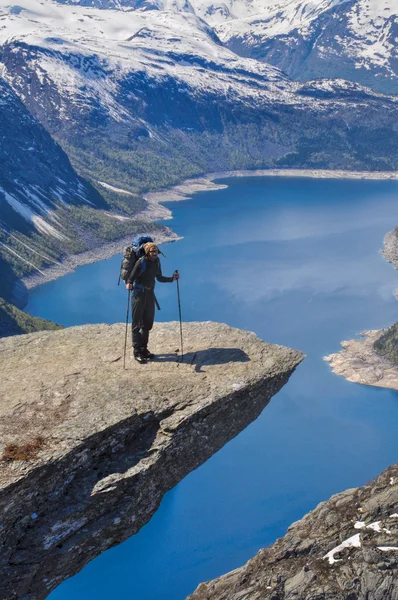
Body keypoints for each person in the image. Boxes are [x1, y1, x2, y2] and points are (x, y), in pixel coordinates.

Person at [126, 242, 179, 363]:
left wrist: (172, 278)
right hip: (138, 295)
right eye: (152, 252)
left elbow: (159, 278)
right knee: (136, 324)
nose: (155, 254)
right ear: (147, 252)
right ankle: (137, 352)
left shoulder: (157, 262)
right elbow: (131, 277)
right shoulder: (141, 262)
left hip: (149, 295)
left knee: (147, 323)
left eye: (156, 252)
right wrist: (129, 283)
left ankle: (144, 349)